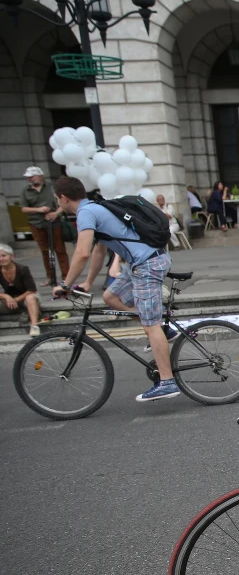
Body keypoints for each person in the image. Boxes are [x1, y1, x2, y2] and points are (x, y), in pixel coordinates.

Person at [53, 176, 179, 401]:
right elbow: (98, 252)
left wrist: (65, 285)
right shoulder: (95, 208)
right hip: (141, 263)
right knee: (110, 296)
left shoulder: (86, 213)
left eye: (56, 199)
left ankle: (167, 382)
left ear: (62, 198)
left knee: (150, 325)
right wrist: (88, 283)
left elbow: (81, 252)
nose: (57, 203)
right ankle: (160, 328)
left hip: (147, 264)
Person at [21, 166, 68, 286]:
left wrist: (55, 213)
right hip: (36, 223)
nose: (30, 179)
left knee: (60, 250)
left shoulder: (52, 188)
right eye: (28, 177)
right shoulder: (26, 191)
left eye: (32, 177)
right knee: (44, 251)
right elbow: (23, 209)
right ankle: (50, 277)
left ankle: (66, 277)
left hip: (53, 222)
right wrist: (38, 209)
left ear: (40, 176)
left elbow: (64, 203)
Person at [0, 243, 41, 336]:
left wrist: (15, 300)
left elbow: (32, 290)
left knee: (30, 297)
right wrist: (5, 296)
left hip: (26, 297)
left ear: (12, 256)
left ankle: (34, 326)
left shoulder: (22, 269)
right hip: (10, 299)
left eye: (4, 255)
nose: (1, 259)